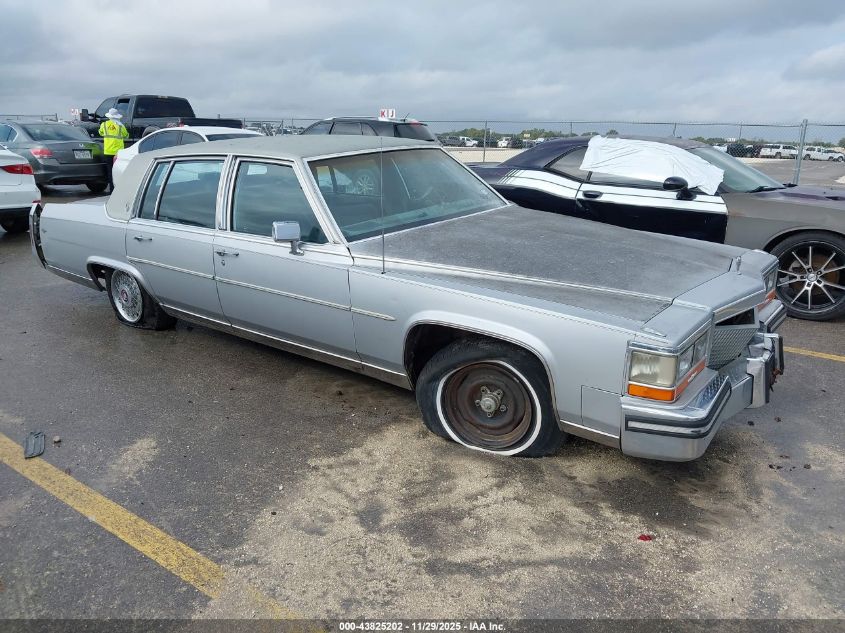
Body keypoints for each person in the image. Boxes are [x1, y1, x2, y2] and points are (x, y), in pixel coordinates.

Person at [98, 108, 129, 191]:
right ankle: (119, 190)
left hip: (108, 152)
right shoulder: (120, 125)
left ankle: (111, 190)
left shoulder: (104, 124)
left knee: (110, 172)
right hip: (118, 153)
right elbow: (126, 135)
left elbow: (100, 132)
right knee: (119, 171)